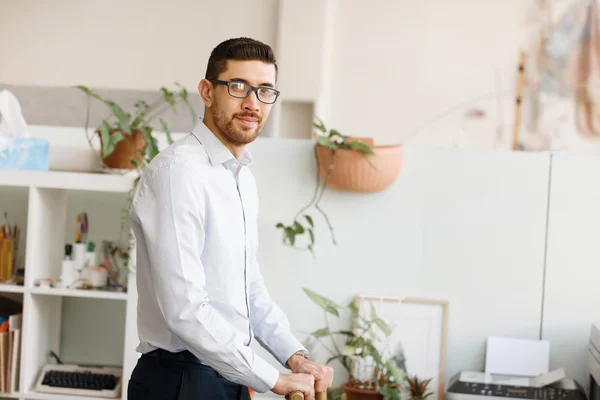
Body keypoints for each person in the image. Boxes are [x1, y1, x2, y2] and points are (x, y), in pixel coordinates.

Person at [127, 37, 334, 400]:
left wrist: (295, 357)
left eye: (265, 90)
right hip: (180, 382)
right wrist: (273, 379)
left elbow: (249, 290)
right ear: (207, 91)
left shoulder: (240, 177)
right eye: (238, 86)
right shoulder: (179, 173)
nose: (253, 103)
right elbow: (185, 309)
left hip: (227, 374)